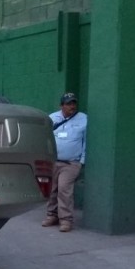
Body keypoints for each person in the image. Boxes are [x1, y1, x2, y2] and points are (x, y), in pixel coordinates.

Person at [42, 92, 87, 232]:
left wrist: (82, 161)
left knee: (63, 189)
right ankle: (52, 215)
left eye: (73, 103)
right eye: (68, 104)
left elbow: (86, 141)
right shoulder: (52, 118)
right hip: (53, 162)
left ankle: (66, 220)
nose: (72, 106)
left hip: (71, 163)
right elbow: (45, 139)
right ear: (61, 105)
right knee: (52, 190)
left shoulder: (83, 119)